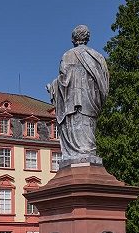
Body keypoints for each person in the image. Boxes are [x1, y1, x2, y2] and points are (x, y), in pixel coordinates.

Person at [47, 25, 109, 167]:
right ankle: (89, 153)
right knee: (88, 131)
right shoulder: (98, 57)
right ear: (87, 38)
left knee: (76, 129)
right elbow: (104, 82)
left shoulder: (68, 55)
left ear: (74, 39)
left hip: (73, 103)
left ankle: (78, 156)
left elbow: (63, 80)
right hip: (92, 101)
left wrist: (53, 87)